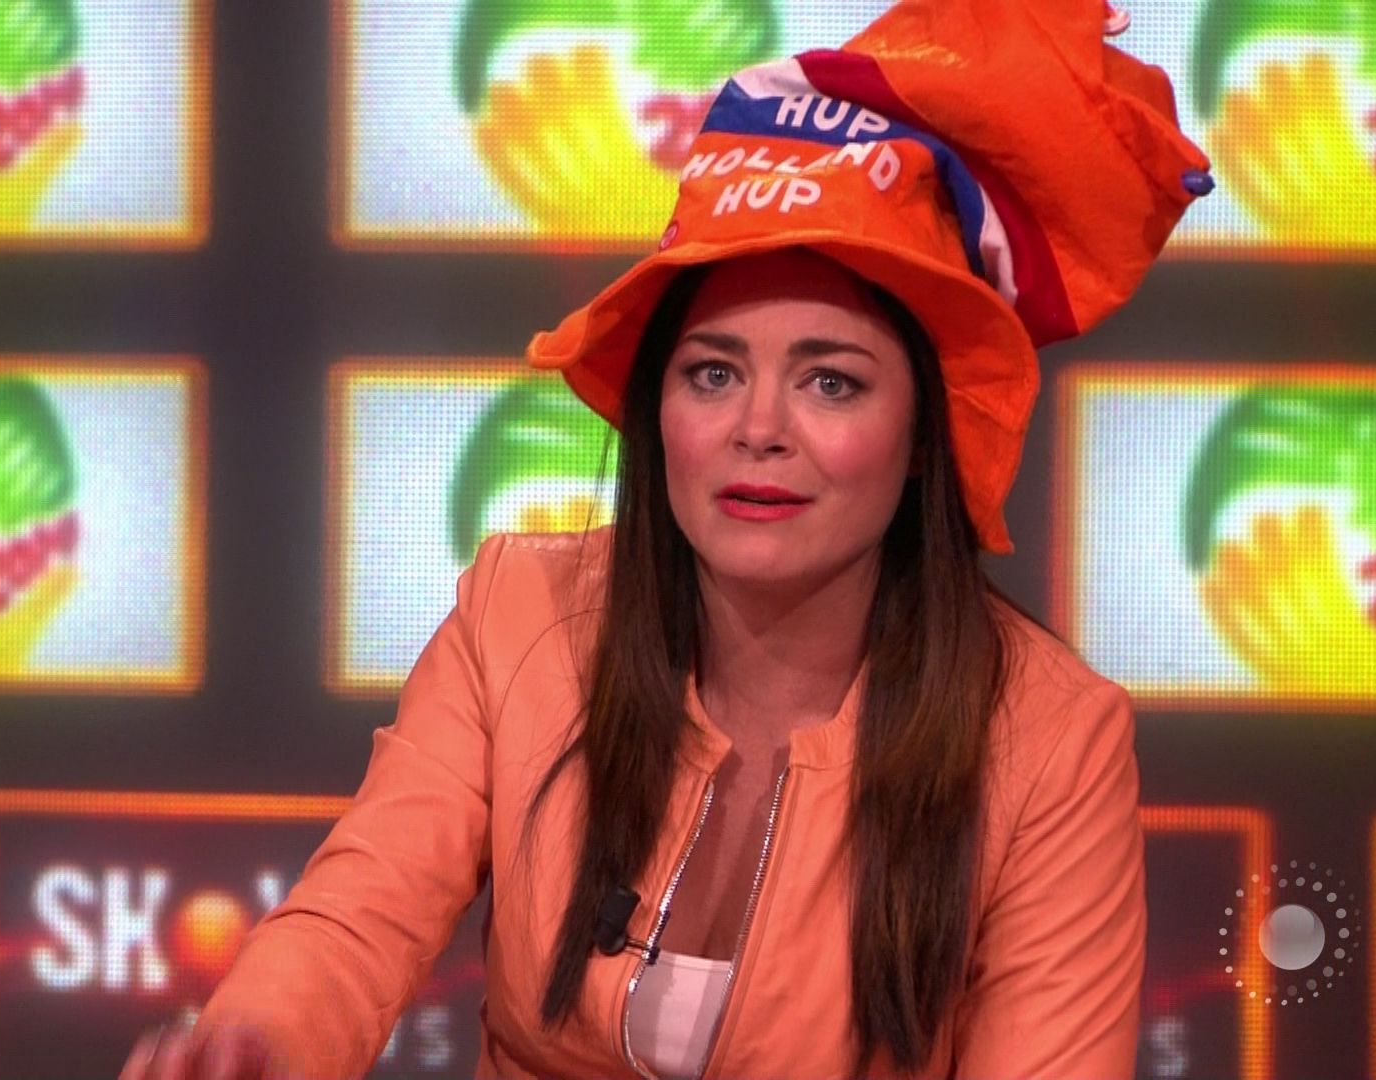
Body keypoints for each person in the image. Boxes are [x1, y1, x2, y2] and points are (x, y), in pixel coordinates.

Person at [123, 1, 1212, 1076]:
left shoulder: (1049, 742)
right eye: (713, 373)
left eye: (831, 382)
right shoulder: (520, 613)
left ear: (925, 435)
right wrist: (254, 1047)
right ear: (657, 412)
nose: (758, 429)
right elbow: (357, 918)